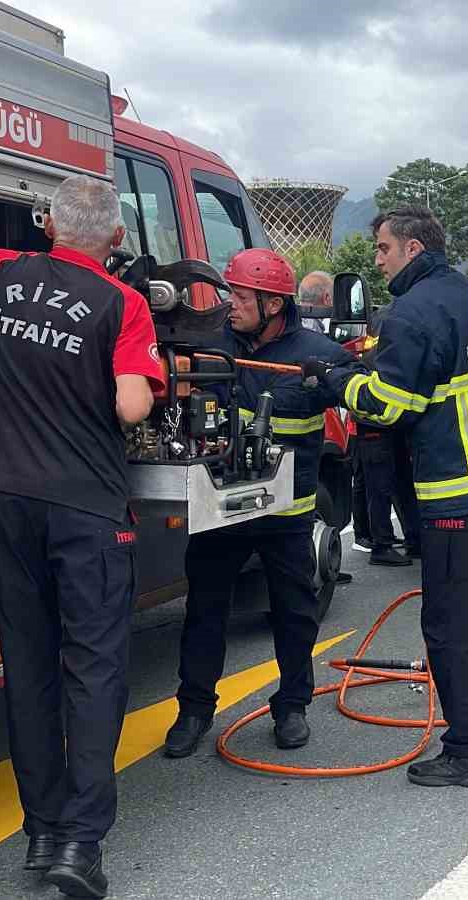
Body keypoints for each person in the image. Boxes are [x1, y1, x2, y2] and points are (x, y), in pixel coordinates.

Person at [0, 175, 162, 898]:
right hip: (85, 509)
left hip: (4, 501)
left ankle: (41, 832)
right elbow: (132, 408)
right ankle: (79, 847)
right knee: (93, 674)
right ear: (118, 240)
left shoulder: (2, 272)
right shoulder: (122, 302)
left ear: (47, 226)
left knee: (28, 670)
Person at [309, 205, 468, 788]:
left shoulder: (410, 312)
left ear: (412, 249)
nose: (378, 259)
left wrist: (339, 382)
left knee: (450, 626)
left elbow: (390, 406)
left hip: (461, 491)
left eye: (383, 248)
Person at [163, 247, 352, 761]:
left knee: (295, 613)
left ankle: (292, 706)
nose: (231, 304)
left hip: (286, 515)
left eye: (241, 296)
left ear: (272, 303)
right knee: (204, 612)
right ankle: (194, 710)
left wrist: (340, 378)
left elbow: (365, 397)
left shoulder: (318, 355)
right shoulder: (207, 347)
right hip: (220, 510)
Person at [354, 300, 420, 567]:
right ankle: (382, 545)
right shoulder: (392, 330)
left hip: (389, 420)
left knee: (402, 481)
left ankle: (414, 539)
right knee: (380, 486)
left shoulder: (386, 324)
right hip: (376, 420)